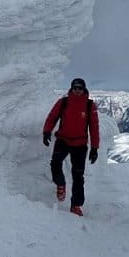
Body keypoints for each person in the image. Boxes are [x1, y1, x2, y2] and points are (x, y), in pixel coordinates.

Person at [42, 77, 100, 216]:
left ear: (84, 89)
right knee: (55, 164)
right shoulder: (63, 102)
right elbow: (52, 117)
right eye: (75, 87)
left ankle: (75, 205)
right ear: (71, 88)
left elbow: (94, 127)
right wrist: (46, 131)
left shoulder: (89, 105)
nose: (77, 90)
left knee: (78, 176)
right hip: (62, 140)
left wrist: (94, 148)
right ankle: (60, 184)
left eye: (80, 88)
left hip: (80, 145)